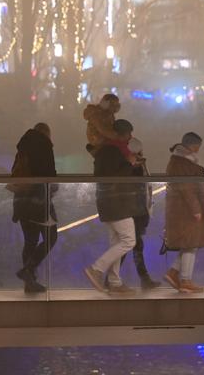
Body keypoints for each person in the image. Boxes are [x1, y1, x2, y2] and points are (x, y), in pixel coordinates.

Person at [84, 119, 143, 296]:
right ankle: (96, 269)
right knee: (128, 240)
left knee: (117, 242)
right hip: (117, 202)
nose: (130, 138)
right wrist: (130, 163)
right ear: (120, 134)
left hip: (108, 201)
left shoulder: (108, 150)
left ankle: (115, 282)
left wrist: (130, 163)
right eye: (128, 134)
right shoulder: (112, 151)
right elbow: (114, 175)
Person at [163, 132, 204, 294]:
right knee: (191, 245)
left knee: (190, 243)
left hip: (182, 209)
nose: (198, 150)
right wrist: (196, 209)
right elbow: (186, 186)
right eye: (196, 146)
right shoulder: (182, 162)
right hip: (186, 210)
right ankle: (185, 280)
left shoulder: (178, 161)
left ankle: (174, 273)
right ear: (191, 145)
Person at [11, 122, 58, 293]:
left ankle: (29, 283)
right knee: (51, 237)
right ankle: (28, 270)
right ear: (47, 134)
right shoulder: (45, 146)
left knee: (30, 241)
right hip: (40, 201)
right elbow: (50, 175)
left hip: (21, 201)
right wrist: (53, 187)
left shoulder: (22, 148)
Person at [120, 137, 159, 290]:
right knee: (130, 245)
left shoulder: (133, 166)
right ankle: (142, 279)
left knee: (132, 245)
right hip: (136, 211)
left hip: (136, 211)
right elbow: (141, 189)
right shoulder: (134, 167)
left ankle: (142, 279)